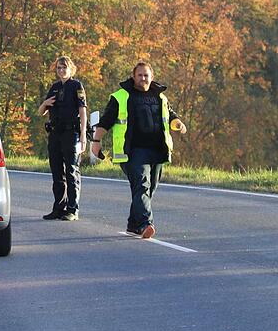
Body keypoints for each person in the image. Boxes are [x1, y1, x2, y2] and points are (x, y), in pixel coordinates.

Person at [91, 61, 187, 239]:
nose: (143, 78)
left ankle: (133, 224)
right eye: (140, 75)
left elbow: (170, 115)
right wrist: (96, 141)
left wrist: (178, 124)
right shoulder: (121, 96)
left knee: (148, 190)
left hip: (158, 149)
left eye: (146, 75)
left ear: (152, 77)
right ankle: (145, 224)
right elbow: (106, 121)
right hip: (133, 151)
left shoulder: (160, 97)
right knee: (142, 186)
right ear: (133, 76)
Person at [38, 56, 87, 221]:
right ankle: (59, 207)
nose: (61, 71)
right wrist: (45, 103)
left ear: (71, 69)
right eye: (58, 68)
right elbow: (41, 112)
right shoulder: (54, 87)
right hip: (55, 133)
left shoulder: (76, 86)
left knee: (71, 171)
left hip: (70, 133)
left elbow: (82, 111)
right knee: (57, 172)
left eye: (64, 68)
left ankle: (72, 209)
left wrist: (83, 134)